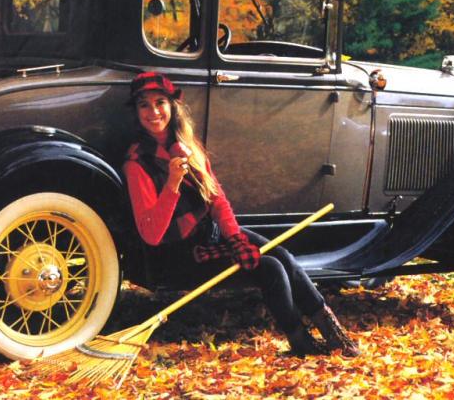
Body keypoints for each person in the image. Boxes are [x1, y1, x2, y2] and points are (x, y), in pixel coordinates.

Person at [122, 71, 360, 357]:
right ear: (136, 112)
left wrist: (234, 238)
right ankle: (301, 342)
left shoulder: (186, 144)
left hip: (211, 234)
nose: (153, 111)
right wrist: (172, 183)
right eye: (143, 105)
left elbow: (217, 198)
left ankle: (335, 334)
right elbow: (151, 234)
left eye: (160, 102)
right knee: (271, 268)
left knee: (282, 255)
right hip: (181, 254)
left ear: (173, 106)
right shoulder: (137, 163)